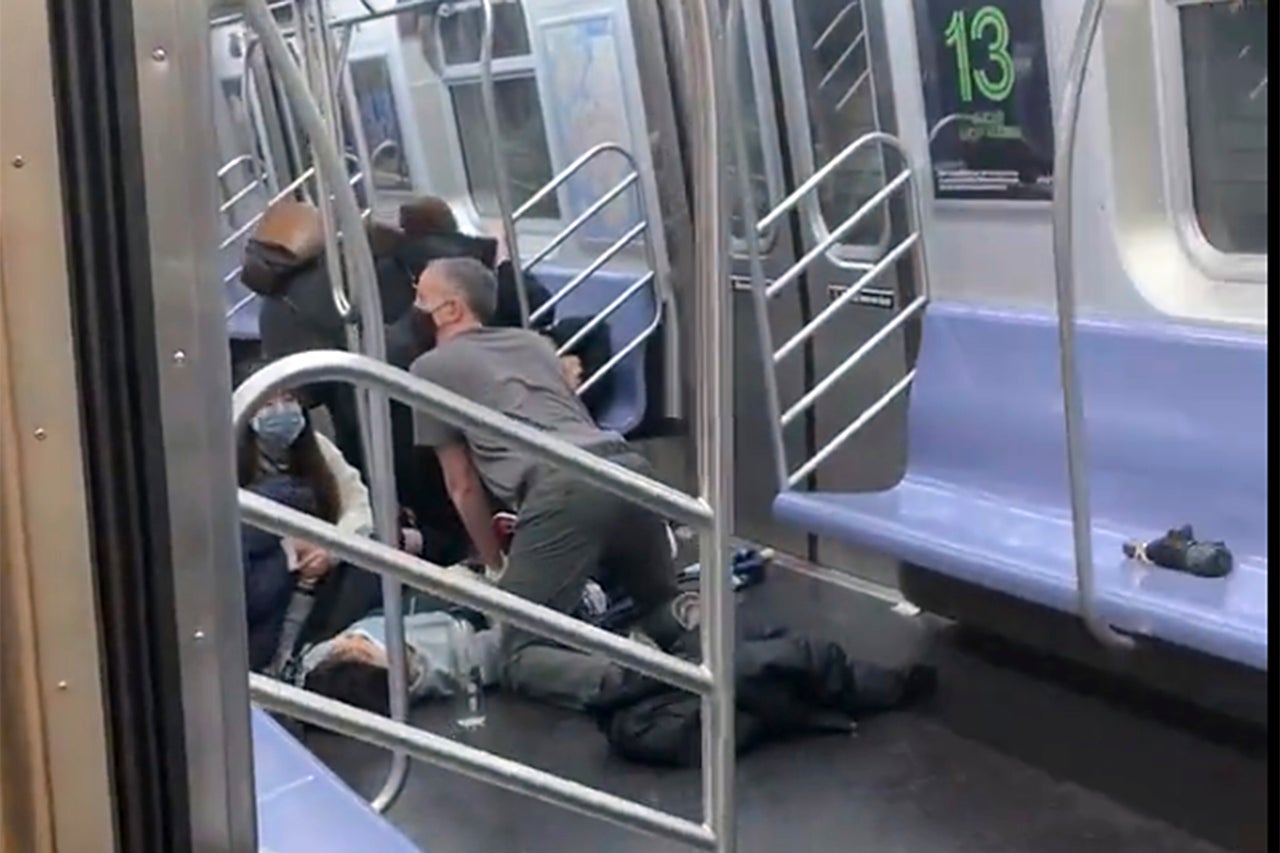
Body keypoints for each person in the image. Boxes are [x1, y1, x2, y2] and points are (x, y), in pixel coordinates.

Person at [408, 257, 694, 710]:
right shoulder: (535, 343)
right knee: (659, 605)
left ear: (451, 309)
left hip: (564, 485)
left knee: (517, 651)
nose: (414, 308)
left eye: (421, 297)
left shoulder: (429, 368)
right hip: (628, 467)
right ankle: (711, 649)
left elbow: (462, 484)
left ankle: (635, 681)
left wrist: (495, 565)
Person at [237, 377, 404, 668]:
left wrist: (329, 548)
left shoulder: (318, 448)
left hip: (321, 571)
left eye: (289, 400)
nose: (281, 411)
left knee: (373, 556)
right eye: (268, 403)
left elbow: (359, 509)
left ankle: (318, 655)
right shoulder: (225, 458)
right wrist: (291, 548)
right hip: (267, 575)